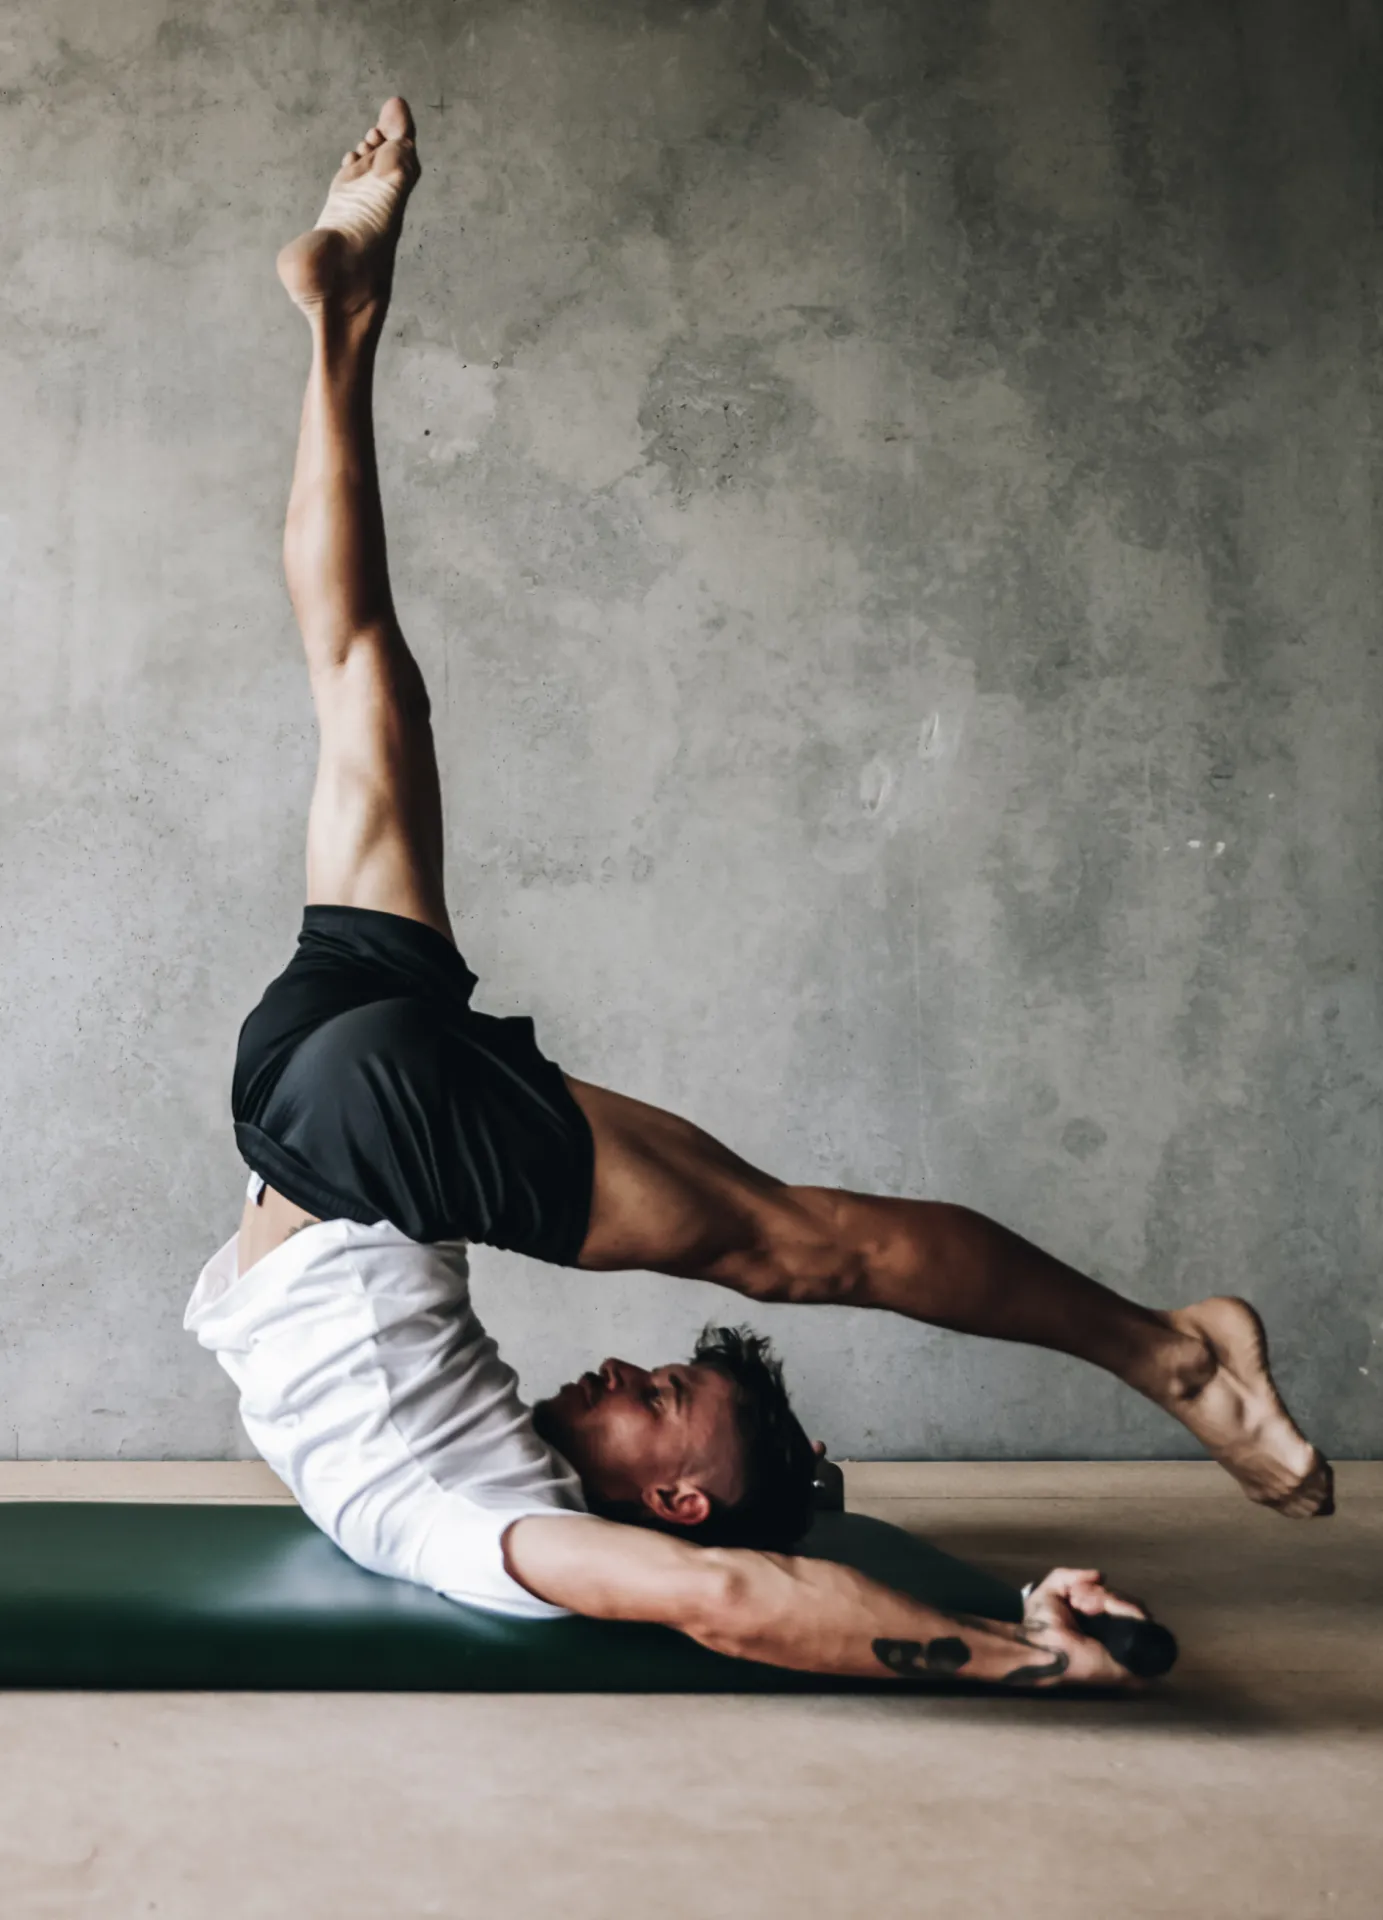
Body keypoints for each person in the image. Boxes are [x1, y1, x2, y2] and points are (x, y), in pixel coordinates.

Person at [187, 98, 1330, 1693]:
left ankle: (1175, 1354)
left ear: (672, 1500)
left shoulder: (492, 1530)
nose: (621, 1366)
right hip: (299, 1108)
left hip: (366, 1133)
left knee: (803, 1245)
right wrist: (1016, 1636)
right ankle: (343, 321)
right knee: (357, 668)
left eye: (660, 1402)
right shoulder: (491, 1489)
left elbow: (730, 1597)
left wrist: (1022, 1660)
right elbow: (745, 1575)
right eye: (663, 1382)